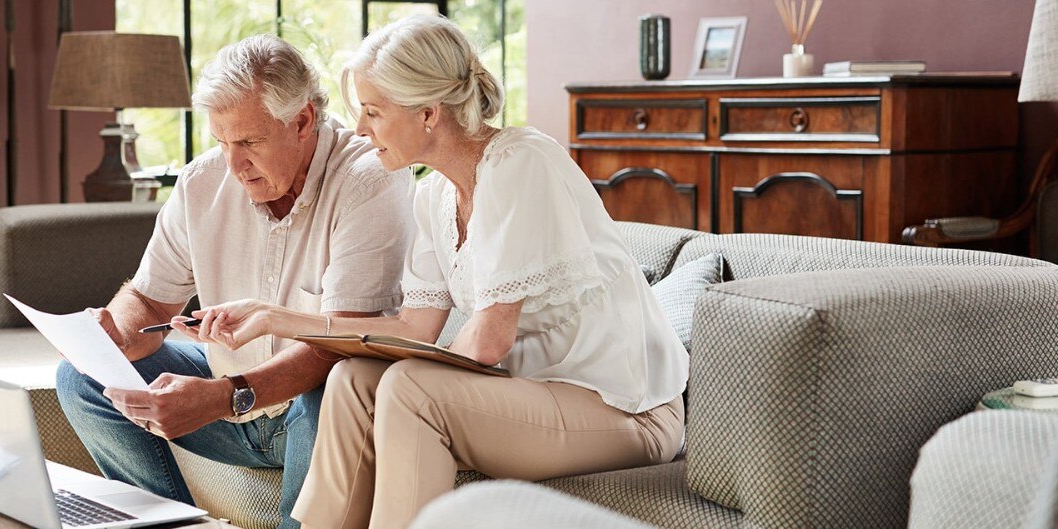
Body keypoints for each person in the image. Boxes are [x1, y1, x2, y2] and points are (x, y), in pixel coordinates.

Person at [187, 15, 691, 529]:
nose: (359, 128)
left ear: (428, 113)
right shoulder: (435, 196)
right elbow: (412, 329)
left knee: (410, 388)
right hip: (537, 397)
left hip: (627, 412)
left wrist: (403, 373)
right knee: (353, 378)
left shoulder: (522, 161)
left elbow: (486, 343)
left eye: (373, 112)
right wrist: (275, 318)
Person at [54, 35, 414, 529]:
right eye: (223, 142)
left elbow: (342, 341)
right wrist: (114, 335)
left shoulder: (369, 178)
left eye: (249, 142)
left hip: (307, 410)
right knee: (80, 376)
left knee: (336, 385)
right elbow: (148, 299)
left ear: (303, 120)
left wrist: (225, 395)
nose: (234, 165)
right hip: (232, 396)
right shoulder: (203, 181)